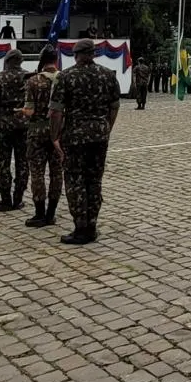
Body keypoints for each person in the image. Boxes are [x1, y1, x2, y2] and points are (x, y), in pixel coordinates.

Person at [49, 38, 120, 244]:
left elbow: (56, 111)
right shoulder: (108, 75)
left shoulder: (66, 77)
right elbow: (114, 106)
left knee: (75, 180)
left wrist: (54, 136)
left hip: (75, 136)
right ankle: (92, 224)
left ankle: (81, 228)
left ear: (76, 55)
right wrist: (106, 127)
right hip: (99, 135)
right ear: (93, 54)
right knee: (94, 180)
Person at [23, 46, 62, 227]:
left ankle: (40, 214)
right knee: (56, 173)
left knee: (37, 172)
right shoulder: (64, 79)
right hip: (58, 133)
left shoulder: (33, 82)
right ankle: (51, 213)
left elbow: (29, 111)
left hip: (37, 132)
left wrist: (20, 111)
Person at [0, 49, 30, 212]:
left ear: (7, 60)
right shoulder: (29, 77)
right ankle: (18, 198)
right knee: (22, 162)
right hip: (24, 123)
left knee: (3, 163)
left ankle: (6, 199)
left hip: (4, 124)